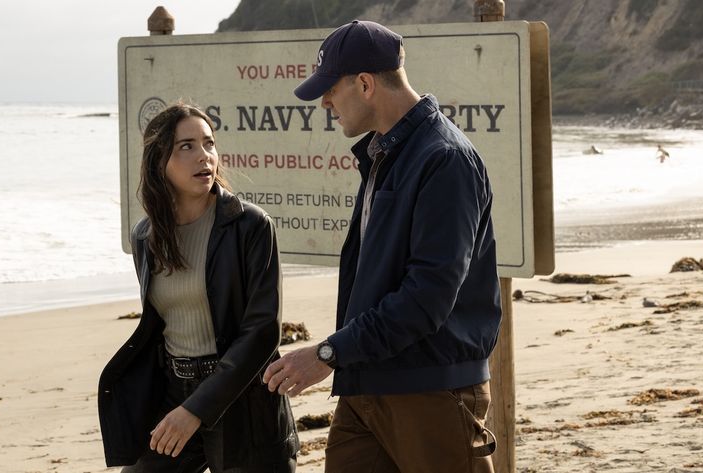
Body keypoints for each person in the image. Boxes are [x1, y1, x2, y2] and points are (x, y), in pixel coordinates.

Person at [263, 20, 502, 473]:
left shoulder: (444, 159)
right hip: (366, 384)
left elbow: (426, 298)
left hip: (431, 390)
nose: (325, 103)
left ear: (366, 84)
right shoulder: (383, 153)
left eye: (330, 90)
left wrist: (328, 354)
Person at [98, 103, 299, 473]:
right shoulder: (146, 236)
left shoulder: (250, 226)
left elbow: (261, 332)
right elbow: (160, 325)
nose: (204, 156)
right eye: (186, 146)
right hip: (174, 391)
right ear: (159, 160)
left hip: (243, 399)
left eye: (209, 144)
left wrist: (197, 410)